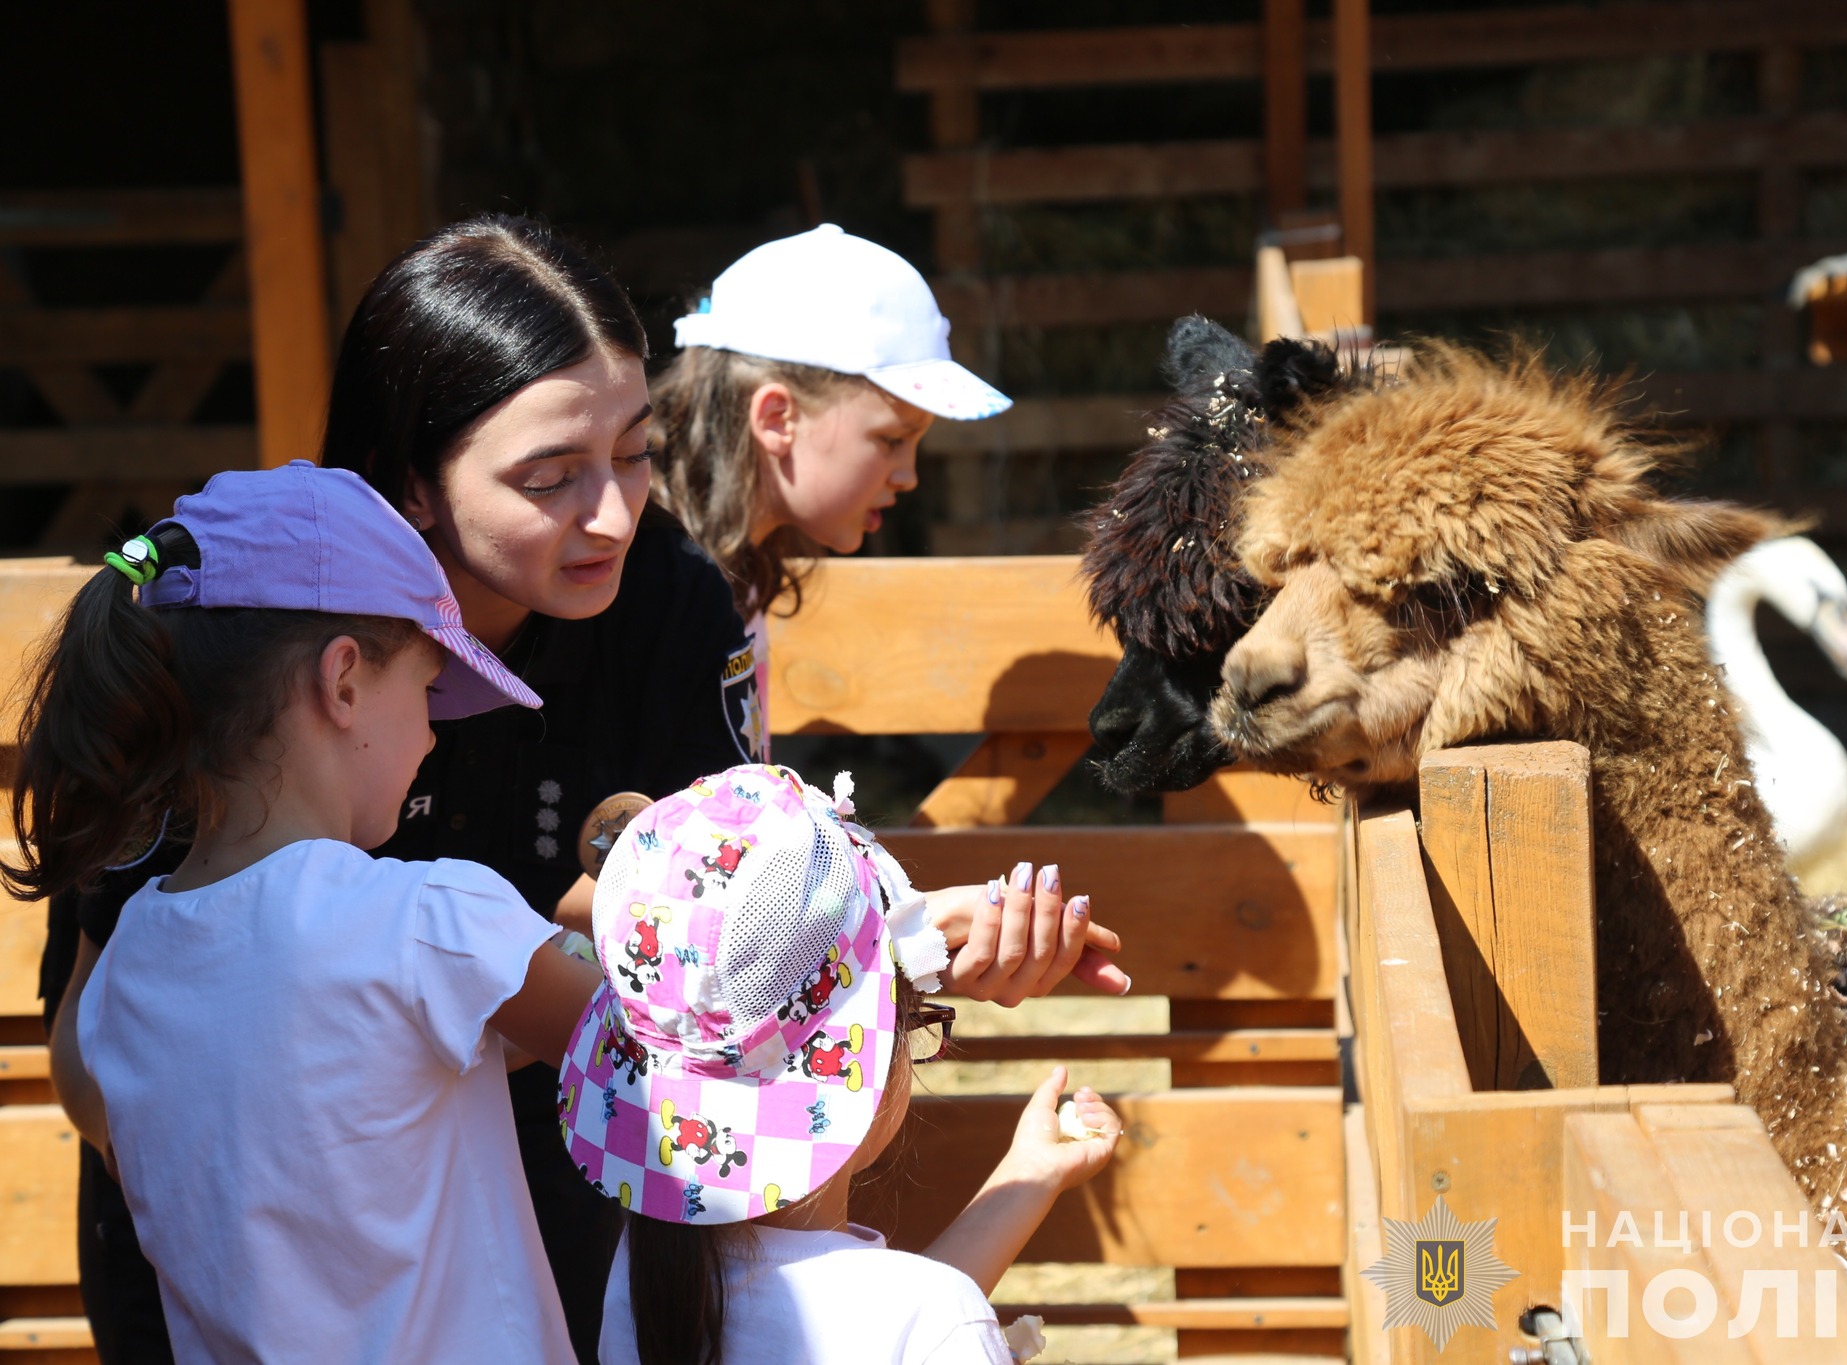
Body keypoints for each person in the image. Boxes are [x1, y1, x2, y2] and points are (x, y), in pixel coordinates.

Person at [37, 214, 1125, 1364]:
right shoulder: (235, 636)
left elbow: (716, 921)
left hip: (551, 1238)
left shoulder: (669, 606)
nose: (612, 512)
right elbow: (97, 1069)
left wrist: (883, 949)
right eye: (552, 478)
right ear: (412, 483)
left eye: (637, 452)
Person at [10, 462, 603, 1363]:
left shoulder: (125, 974)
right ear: (345, 681)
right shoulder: (424, 916)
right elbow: (635, 1028)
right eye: (428, 687)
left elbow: (346, 1079)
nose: (436, 733)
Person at [557, 764, 1122, 1365]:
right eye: (911, 1017)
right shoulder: (934, 1316)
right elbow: (911, 1328)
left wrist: (1027, 1178)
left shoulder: (642, 1279)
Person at [648, 223, 1009, 724]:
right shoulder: (651, 587)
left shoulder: (740, 572)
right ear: (778, 419)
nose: (909, 477)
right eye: (891, 440)